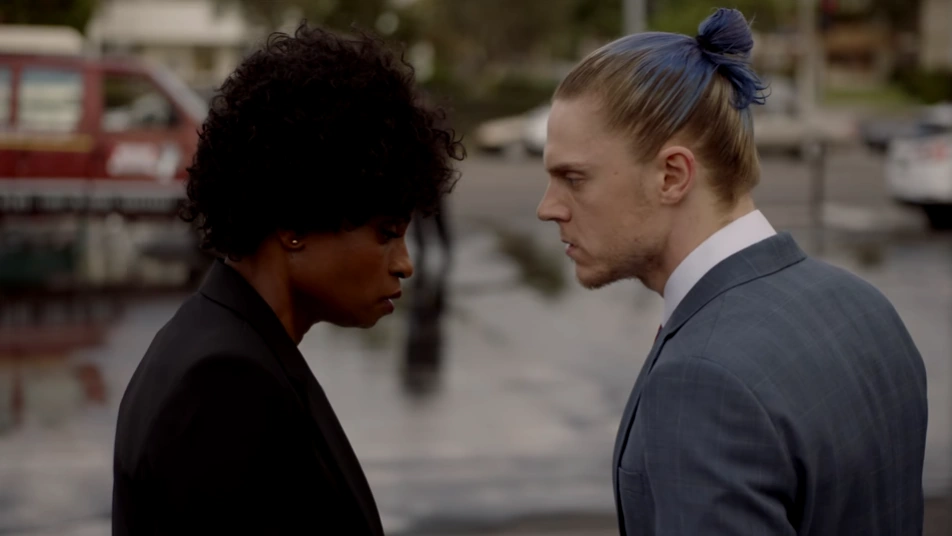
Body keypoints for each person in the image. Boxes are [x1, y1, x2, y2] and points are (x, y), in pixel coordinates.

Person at [537, 8, 928, 536]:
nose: (547, 207)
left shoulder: (701, 380)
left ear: (672, 175)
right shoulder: (864, 305)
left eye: (573, 178)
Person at [112, 23, 463, 535]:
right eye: (386, 233)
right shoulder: (223, 385)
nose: (404, 263)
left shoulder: (229, 344)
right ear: (294, 224)